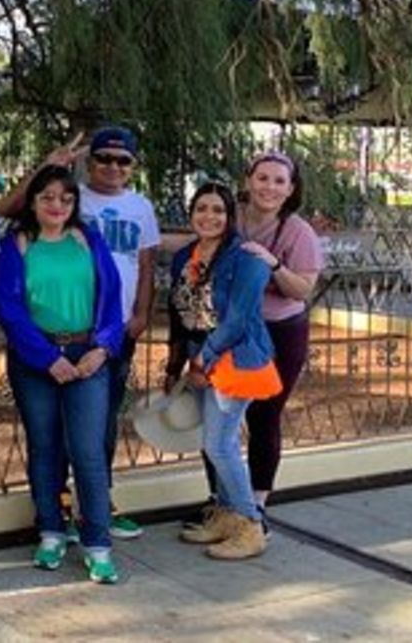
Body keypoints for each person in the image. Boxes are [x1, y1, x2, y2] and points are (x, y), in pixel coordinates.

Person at [0, 126, 160, 539]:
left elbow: (145, 265)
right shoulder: (69, 198)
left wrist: (139, 317)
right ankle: (56, 516)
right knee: (48, 439)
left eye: (122, 160)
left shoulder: (140, 207)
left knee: (98, 430)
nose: (112, 166)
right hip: (48, 343)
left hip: (110, 334)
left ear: (133, 166)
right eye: (104, 158)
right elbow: (10, 207)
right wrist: (49, 166)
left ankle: (99, 509)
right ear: (89, 163)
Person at [0, 165, 124, 584]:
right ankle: (51, 530)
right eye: (47, 197)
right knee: (44, 446)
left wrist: (102, 348)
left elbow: (112, 296)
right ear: (32, 201)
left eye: (65, 199)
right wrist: (47, 357)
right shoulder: (17, 245)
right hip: (37, 359)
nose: (56, 206)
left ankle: (98, 543)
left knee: (87, 448)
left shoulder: (89, 240)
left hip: (87, 354)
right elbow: (8, 308)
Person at [196, 151, 324, 525]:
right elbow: (198, 241)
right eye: (262, 178)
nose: (269, 187)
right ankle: (221, 502)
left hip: (278, 331)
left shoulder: (297, 232)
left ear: (291, 189)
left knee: (265, 417)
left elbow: (302, 289)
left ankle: (255, 504)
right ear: (248, 180)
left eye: (279, 181)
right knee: (216, 419)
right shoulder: (228, 216)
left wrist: (273, 263)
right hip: (227, 330)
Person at [166, 182, 278, 560]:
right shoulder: (185, 257)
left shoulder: (247, 259)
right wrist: (176, 364)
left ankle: (250, 525)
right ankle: (228, 518)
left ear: (230, 216)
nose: (208, 217)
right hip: (199, 355)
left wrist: (204, 359)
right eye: (201, 208)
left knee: (220, 443)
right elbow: (178, 315)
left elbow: (237, 319)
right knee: (214, 442)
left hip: (234, 358)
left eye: (218, 210)